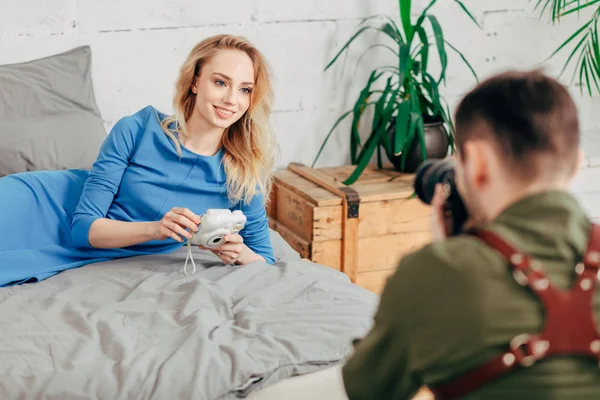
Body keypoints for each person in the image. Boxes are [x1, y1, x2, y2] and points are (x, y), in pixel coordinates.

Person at [247, 69, 600, 400]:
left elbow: (359, 391)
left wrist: (450, 256)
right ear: (576, 162)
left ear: (476, 162)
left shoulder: (437, 271)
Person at [0, 34, 278, 287]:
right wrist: (157, 229)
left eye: (245, 89)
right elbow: (83, 229)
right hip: (42, 205)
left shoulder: (242, 171)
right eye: (220, 82)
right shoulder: (138, 128)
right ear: (194, 82)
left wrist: (241, 253)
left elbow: (264, 257)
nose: (232, 99)